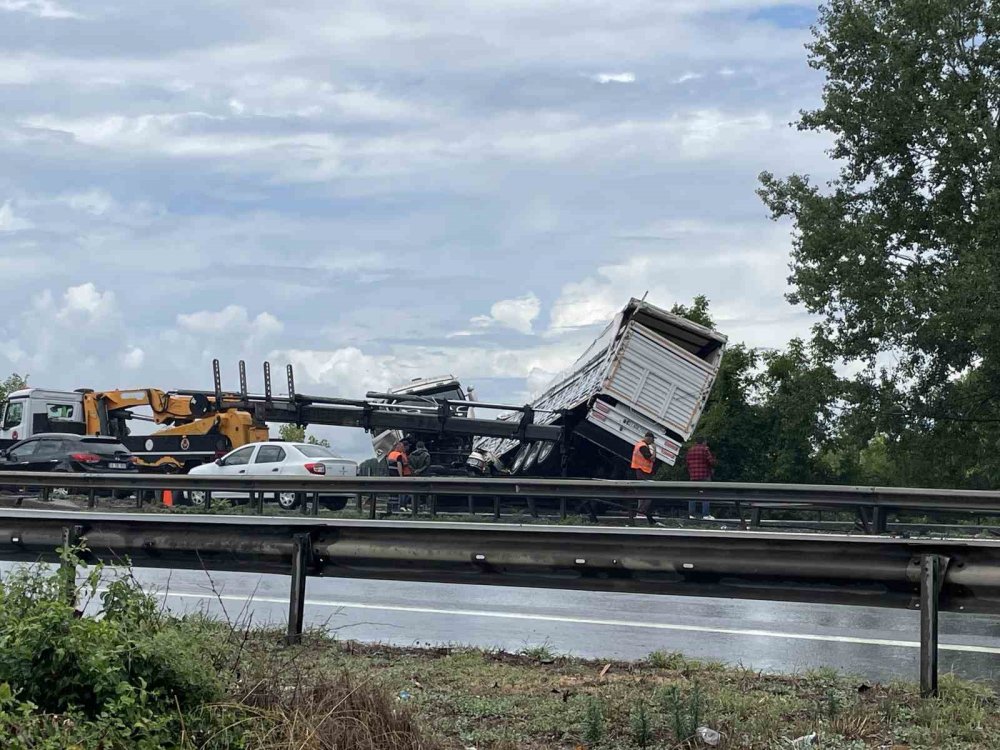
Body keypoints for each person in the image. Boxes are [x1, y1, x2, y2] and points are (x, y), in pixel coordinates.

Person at [628, 431, 658, 526]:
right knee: (649, 494)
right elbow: (651, 458)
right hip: (643, 472)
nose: (653, 442)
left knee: (642, 493)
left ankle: (640, 512)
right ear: (649, 438)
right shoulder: (643, 446)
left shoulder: (639, 445)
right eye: (653, 440)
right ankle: (641, 512)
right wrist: (654, 450)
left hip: (640, 471)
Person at [685, 437, 716, 519]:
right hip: (704, 475)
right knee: (706, 494)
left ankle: (691, 514)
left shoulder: (690, 450)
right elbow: (711, 462)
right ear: (704, 442)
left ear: (696, 442)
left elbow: (687, 463)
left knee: (692, 495)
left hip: (693, 476)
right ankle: (705, 514)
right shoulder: (705, 449)